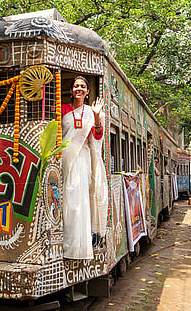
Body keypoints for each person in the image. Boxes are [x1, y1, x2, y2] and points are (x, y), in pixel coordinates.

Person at [61, 75, 109, 259]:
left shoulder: (91, 112)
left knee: (80, 202)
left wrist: (97, 117)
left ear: (87, 92)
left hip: (82, 160)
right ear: (71, 90)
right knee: (67, 203)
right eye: (76, 86)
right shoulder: (62, 109)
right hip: (65, 159)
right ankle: (66, 245)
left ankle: (80, 248)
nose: (79, 88)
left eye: (82, 86)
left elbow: (97, 136)